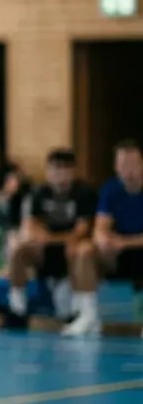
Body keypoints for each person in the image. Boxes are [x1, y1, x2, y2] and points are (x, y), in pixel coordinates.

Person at [0, 148, 95, 328]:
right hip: (44, 249)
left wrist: (52, 238)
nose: (57, 174)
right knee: (19, 248)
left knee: (80, 249)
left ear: (72, 171)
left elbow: (82, 230)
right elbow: (29, 225)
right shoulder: (38, 192)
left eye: (62, 169)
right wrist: (42, 237)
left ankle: (79, 310)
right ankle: (17, 307)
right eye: (53, 169)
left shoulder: (84, 193)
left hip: (70, 250)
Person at [62, 140, 143, 338]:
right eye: (123, 164)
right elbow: (100, 226)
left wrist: (123, 242)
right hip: (117, 256)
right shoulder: (110, 188)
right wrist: (103, 240)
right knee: (84, 250)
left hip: (138, 250)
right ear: (116, 167)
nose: (128, 170)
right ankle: (88, 316)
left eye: (132, 163)